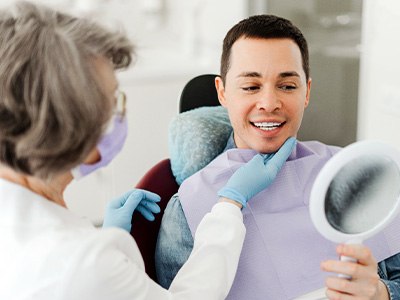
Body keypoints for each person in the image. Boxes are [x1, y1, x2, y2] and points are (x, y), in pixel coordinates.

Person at [0, 3, 296, 299]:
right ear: (69, 124)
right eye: (112, 102)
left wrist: (108, 236)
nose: (120, 114)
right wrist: (230, 204)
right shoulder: (85, 263)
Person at [155, 15, 400, 299]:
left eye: (287, 86)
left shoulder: (354, 177)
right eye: (250, 87)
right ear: (223, 93)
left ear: (307, 92)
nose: (269, 103)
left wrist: (382, 294)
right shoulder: (188, 207)